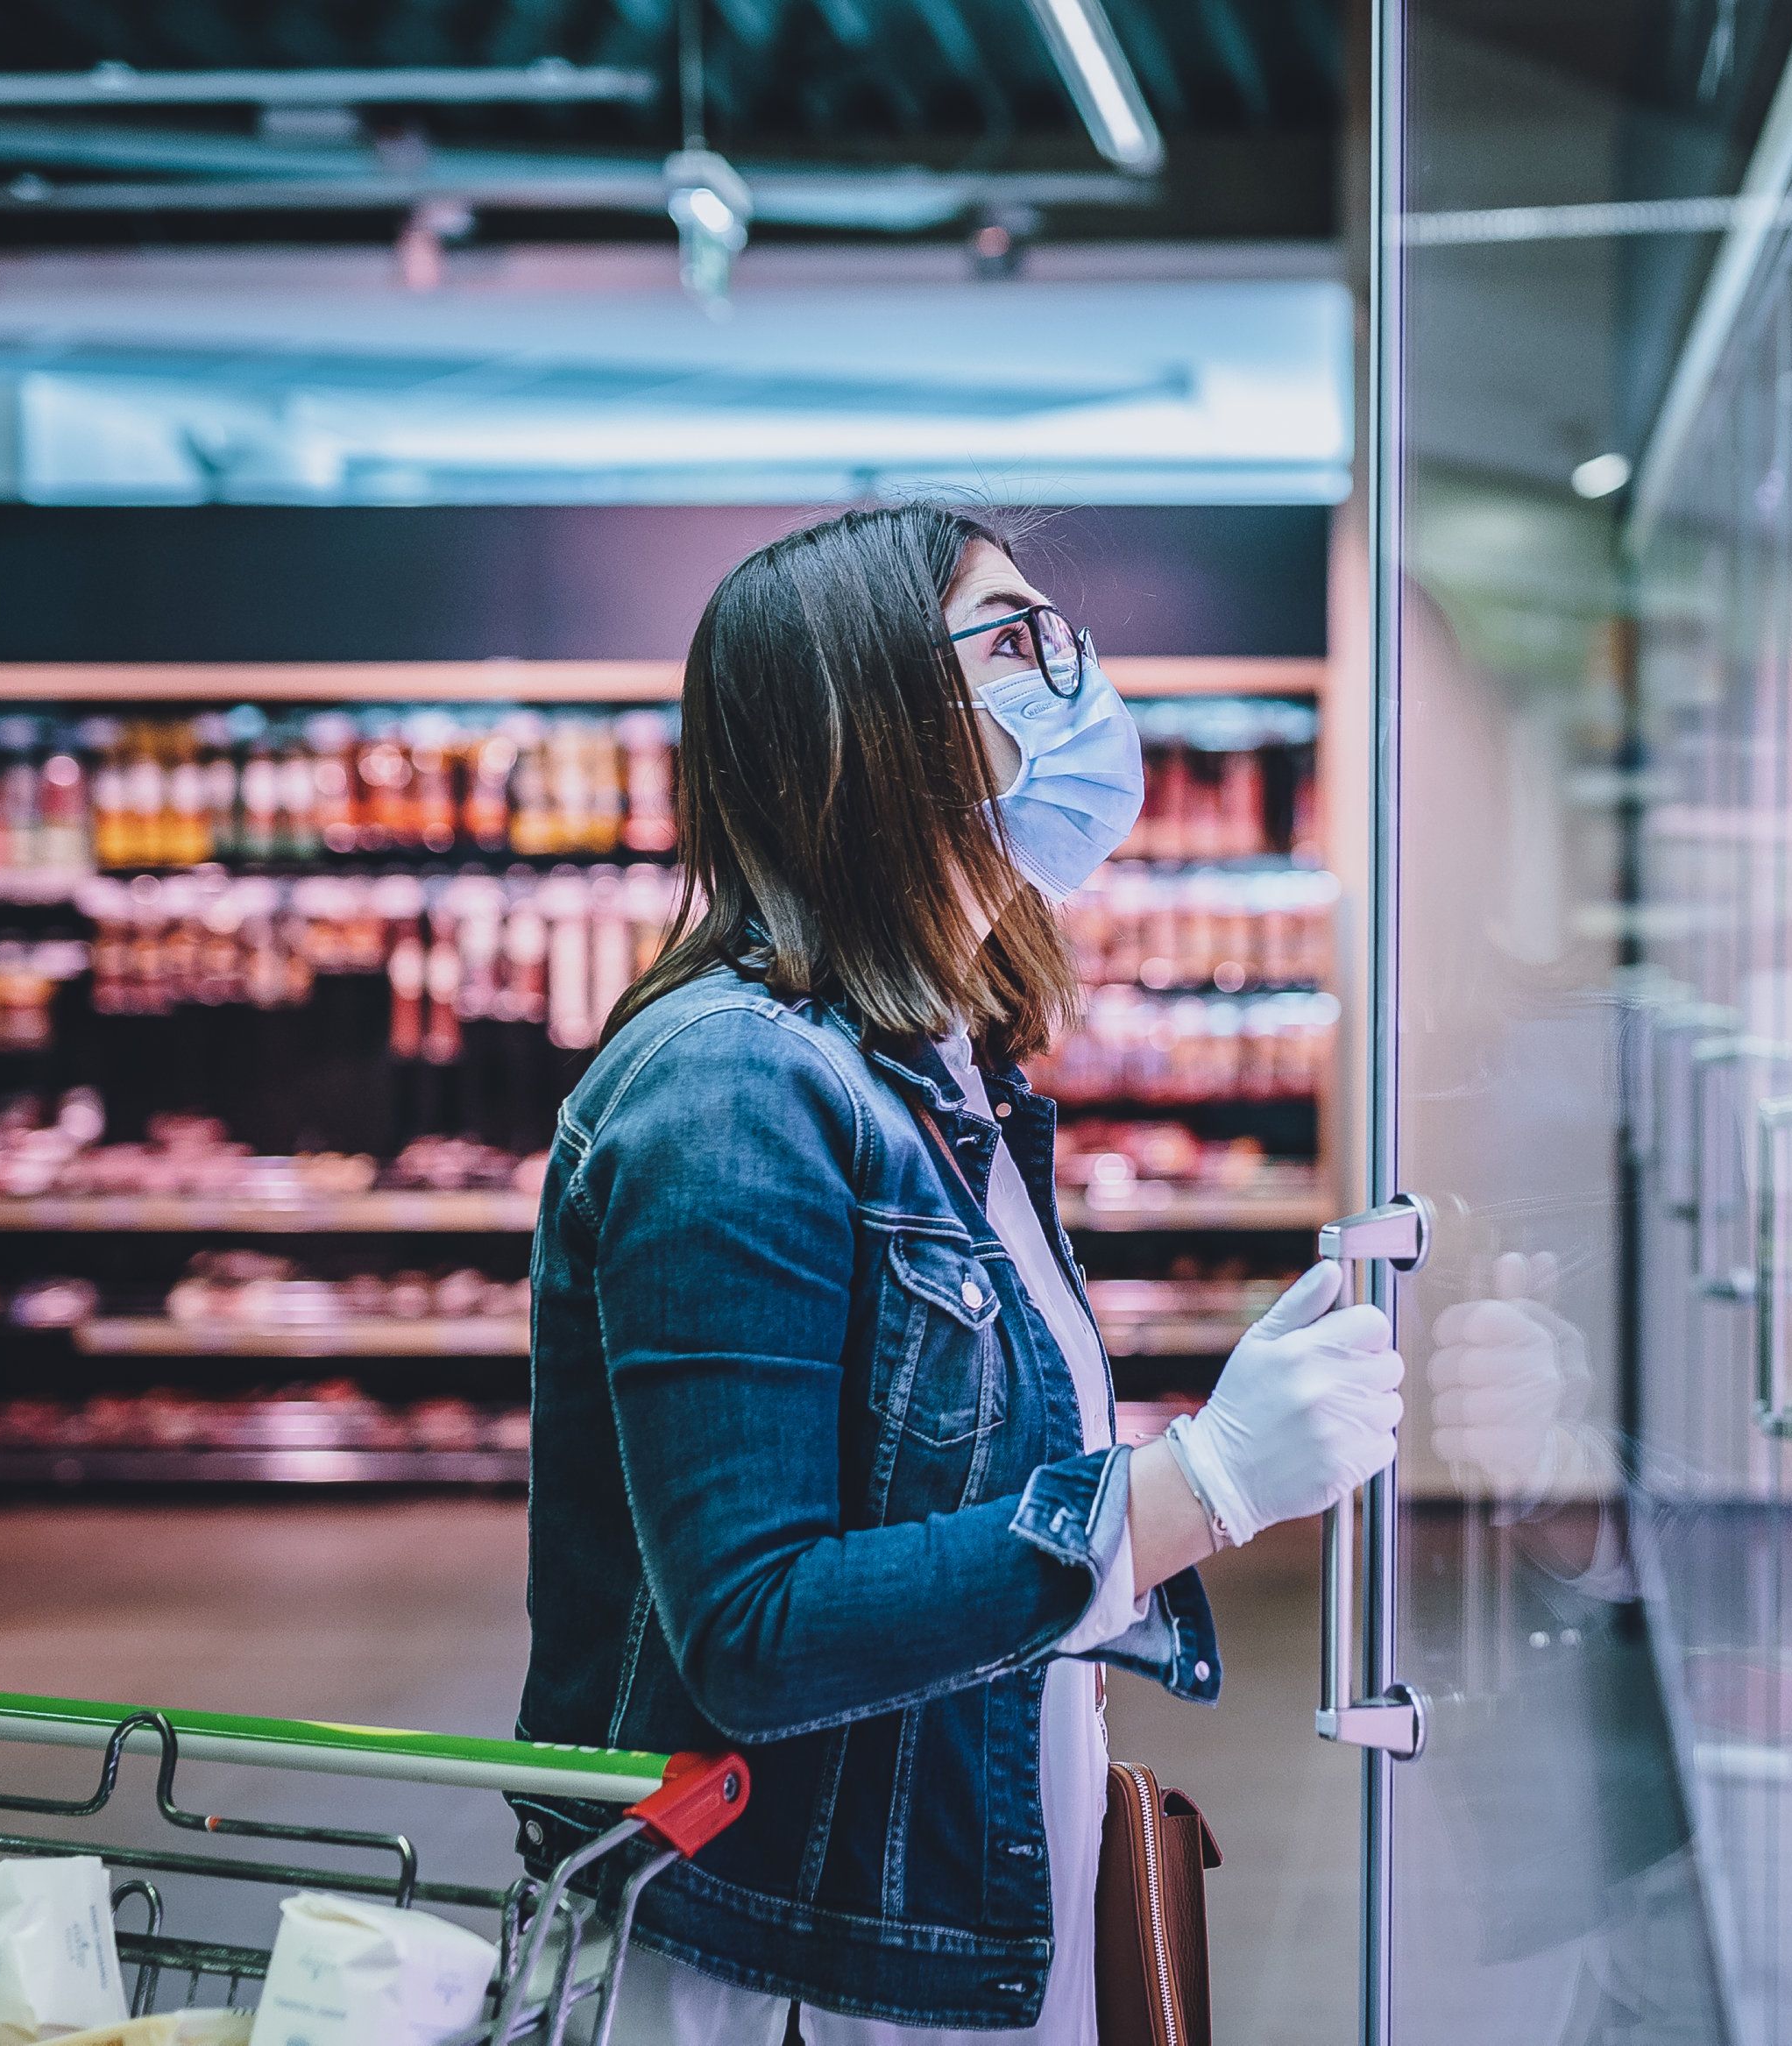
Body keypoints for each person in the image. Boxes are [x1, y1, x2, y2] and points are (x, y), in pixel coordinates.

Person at [513, 501, 1404, 2043]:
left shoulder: (932, 1067)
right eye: (1012, 639)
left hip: (921, 1913)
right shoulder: (730, 1090)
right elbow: (755, 1627)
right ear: (866, 716)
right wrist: (1195, 1487)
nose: (1073, 670)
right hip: (780, 1970)